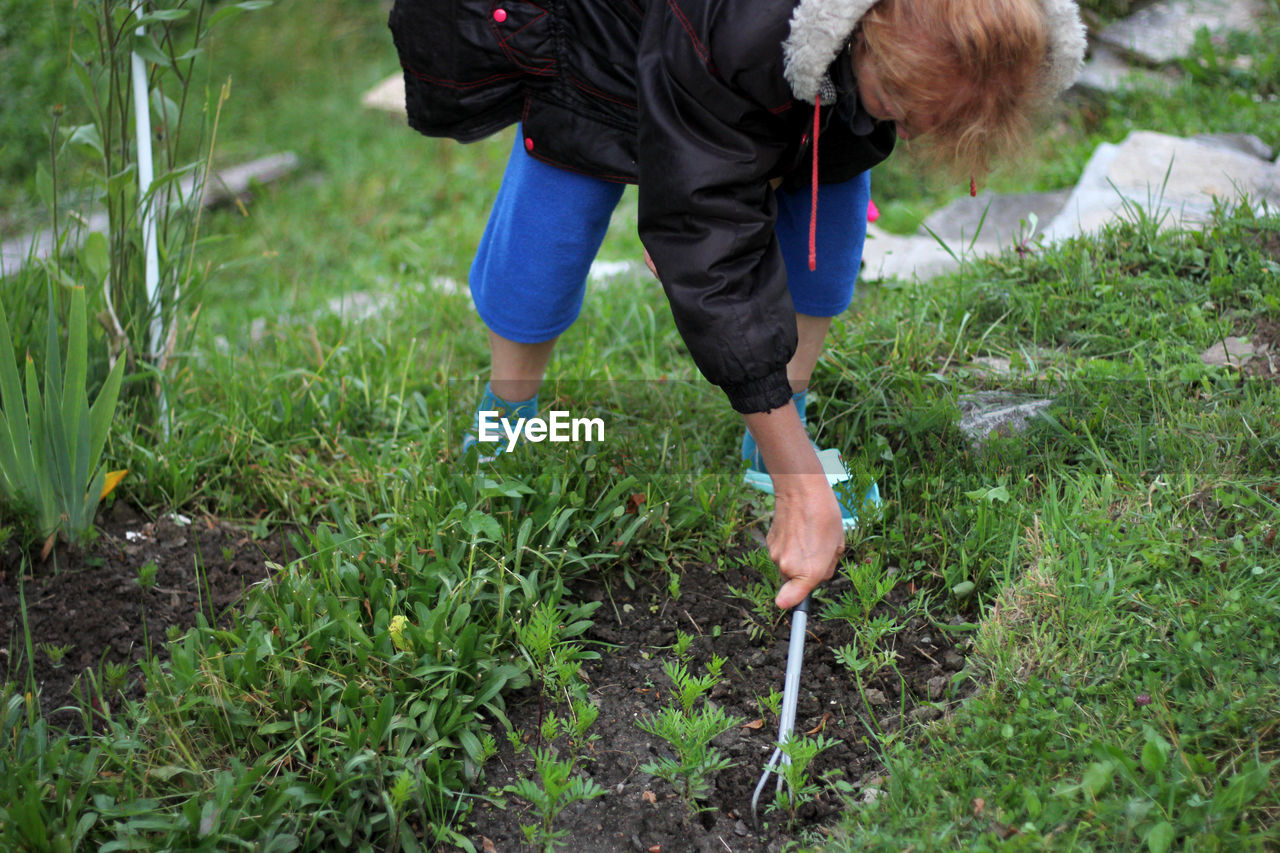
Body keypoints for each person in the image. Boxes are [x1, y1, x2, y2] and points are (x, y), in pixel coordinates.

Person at [388, 0, 1086, 609]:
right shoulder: (739, 23)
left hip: (781, 45)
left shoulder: (889, 42)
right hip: (602, 30)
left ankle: (781, 429)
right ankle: (506, 420)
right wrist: (800, 480)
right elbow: (704, 233)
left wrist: (788, 453)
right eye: (901, 106)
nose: (906, 133)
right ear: (871, 35)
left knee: (827, 218)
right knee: (552, 228)